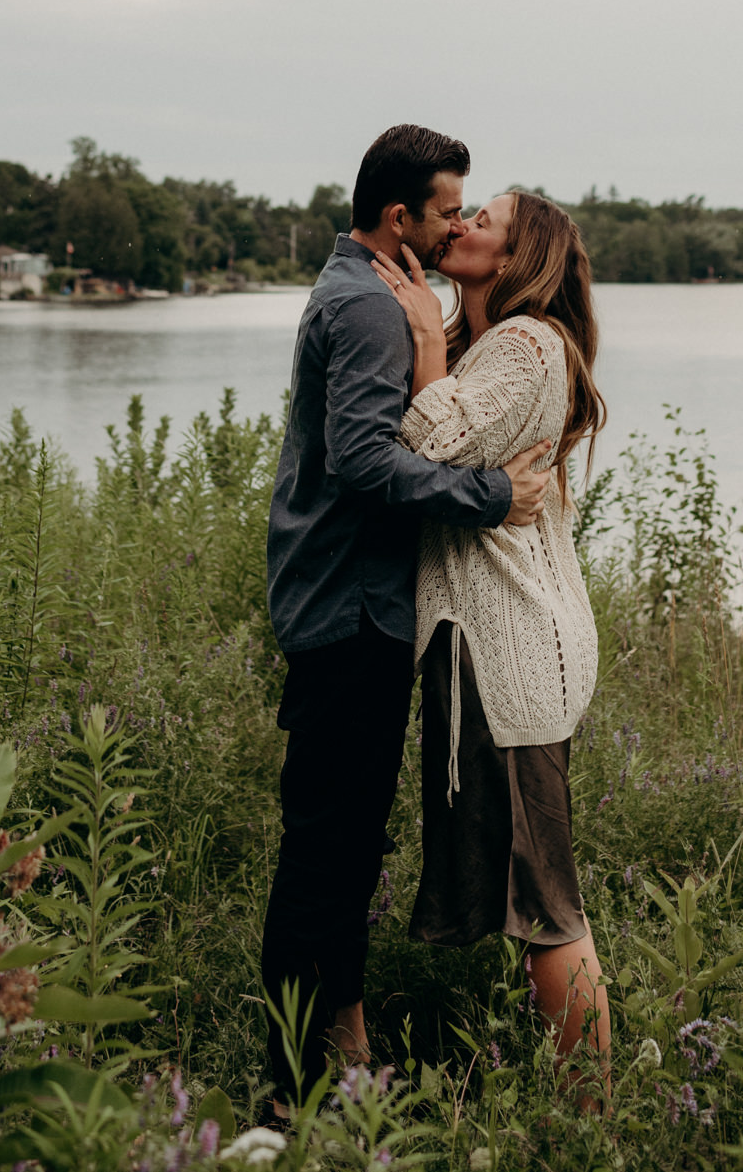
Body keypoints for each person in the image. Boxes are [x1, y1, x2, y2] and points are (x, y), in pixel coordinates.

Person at [261, 126, 553, 1106]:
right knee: (324, 852)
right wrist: (489, 498)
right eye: (446, 212)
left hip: (356, 608)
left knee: (344, 846)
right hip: (349, 613)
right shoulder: (370, 305)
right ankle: (294, 1089)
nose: (456, 224)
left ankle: (342, 1046)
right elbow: (361, 462)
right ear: (400, 218)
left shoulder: (381, 294)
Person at [370, 190, 610, 1097]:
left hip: (514, 655)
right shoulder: (492, 346)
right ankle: (565, 1099)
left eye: (484, 220)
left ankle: (593, 1118)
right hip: (500, 649)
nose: (459, 224)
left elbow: (423, 435)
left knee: (549, 904)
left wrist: (427, 343)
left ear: (515, 259)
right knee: (525, 892)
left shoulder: (524, 344)